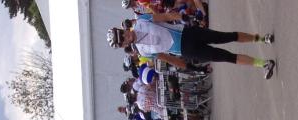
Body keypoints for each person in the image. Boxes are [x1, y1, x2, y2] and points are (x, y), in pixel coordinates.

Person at [107, 15, 277, 80]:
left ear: (123, 30)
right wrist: (190, 68)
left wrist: (183, 17)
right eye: (122, 41)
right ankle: (264, 64)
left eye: (122, 34)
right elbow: (167, 58)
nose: (125, 37)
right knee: (226, 57)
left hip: (188, 34)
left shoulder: (142, 21)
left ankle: (261, 38)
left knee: (226, 36)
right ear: (124, 45)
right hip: (187, 51)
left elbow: (165, 16)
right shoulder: (142, 51)